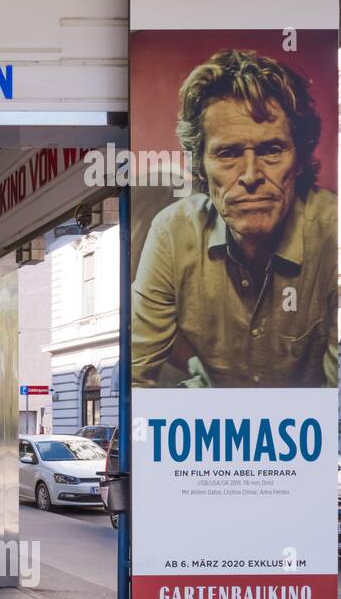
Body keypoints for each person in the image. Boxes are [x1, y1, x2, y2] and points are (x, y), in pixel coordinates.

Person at [132, 48, 336, 388]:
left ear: (298, 160)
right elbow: (135, 379)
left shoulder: (333, 231)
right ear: (200, 167)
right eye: (227, 154)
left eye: (271, 150)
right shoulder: (173, 232)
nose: (250, 175)